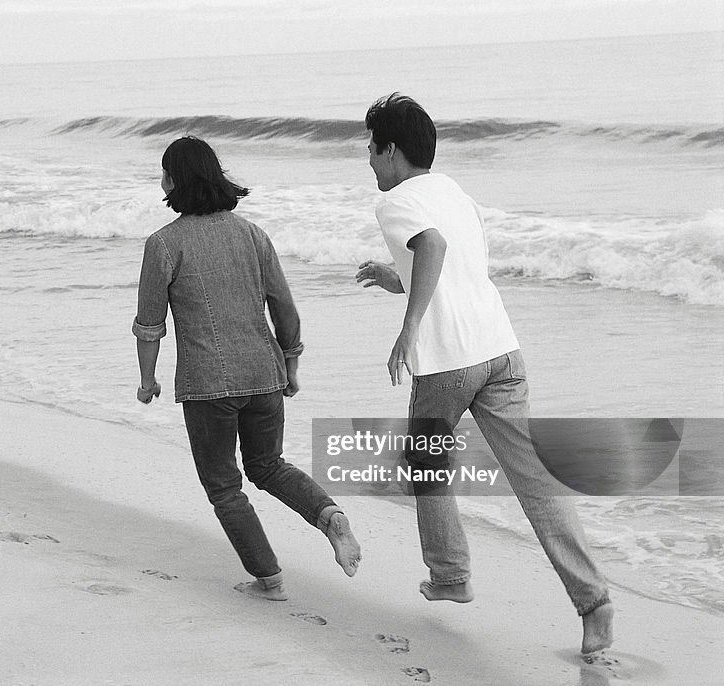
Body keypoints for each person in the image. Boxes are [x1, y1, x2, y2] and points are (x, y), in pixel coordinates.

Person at [356, 93, 614, 654]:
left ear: (392, 150)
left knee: (426, 461)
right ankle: (594, 605)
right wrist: (392, 275)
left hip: (447, 363)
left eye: (371, 150)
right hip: (501, 351)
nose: (370, 162)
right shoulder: (454, 191)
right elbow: (451, 265)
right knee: (535, 480)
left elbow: (433, 248)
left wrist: (408, 327)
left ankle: (450, 575)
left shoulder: (395, 202)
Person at [133, 136, 361, 601]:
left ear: (175, 181)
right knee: (269, 466)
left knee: (223, 485)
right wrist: (291, 362)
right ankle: (328, 514)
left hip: (207, 385)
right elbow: (284, 306)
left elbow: (149, 325)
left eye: (164, 173)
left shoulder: (163, 245)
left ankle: (269, 578)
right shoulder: (253, 234)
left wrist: (146, 380)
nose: (161, 181)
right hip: (264, 374)